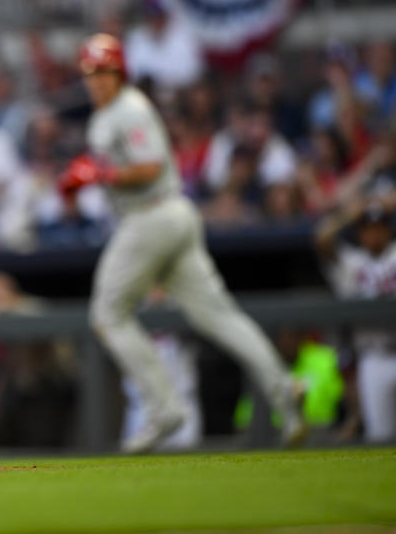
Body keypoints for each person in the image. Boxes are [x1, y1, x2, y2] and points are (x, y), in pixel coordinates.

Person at [58, 33, 305, 453]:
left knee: (107, 314)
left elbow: (149, 166)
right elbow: (110, 172)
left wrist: (100, 175)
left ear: (120, 72)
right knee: (217, 315)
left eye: (104, 71)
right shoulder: (103, 118)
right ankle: (283, 387)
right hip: (165, 219)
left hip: (152, 215)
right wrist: (79, 184)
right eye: (90, 73)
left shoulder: (130, 108)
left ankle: (162, 406)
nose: (97, 80)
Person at [315, 196, 396, 442]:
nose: (374, 235)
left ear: (388, 230)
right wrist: (349, 214)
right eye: (368, 230)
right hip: (372, 356)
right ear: (360, 234)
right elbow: (322, 240)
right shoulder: (352, 264)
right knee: (379, 436)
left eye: (379, 229)